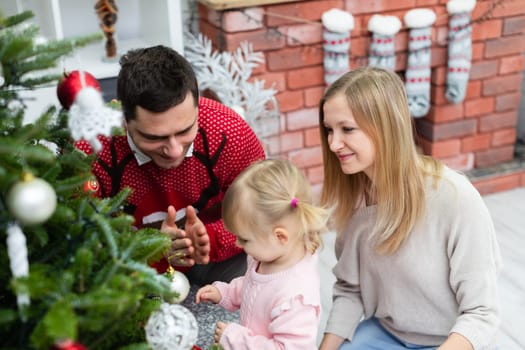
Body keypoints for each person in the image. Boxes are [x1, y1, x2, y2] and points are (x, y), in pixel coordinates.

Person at [318, 66, 501, 350]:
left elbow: (481, 312)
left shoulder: (455, 197)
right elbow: (349, 290)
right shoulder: (355, 200)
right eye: (329, 130)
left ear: (386, 126)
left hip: (450, 342)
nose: (333, 143)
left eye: (347, 129)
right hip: (383, 335)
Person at [76, 45, 265, 285]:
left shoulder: (228, 131)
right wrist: (147, 249)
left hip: (218, 261)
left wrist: (210, 240)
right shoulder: (91, 149)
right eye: (154, 137)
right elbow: (77, 239)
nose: (174, 150)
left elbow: (263, 210)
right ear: (124, 120)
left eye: (186, 131)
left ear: (198, 105)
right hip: (129, 272)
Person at [195, 159, 329, 349]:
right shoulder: (267, 257)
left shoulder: (295, 297)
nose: (237, 244)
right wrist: (225, 293)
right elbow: (253, 285)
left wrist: (236, 338)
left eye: (245, 239)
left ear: (280, 236)